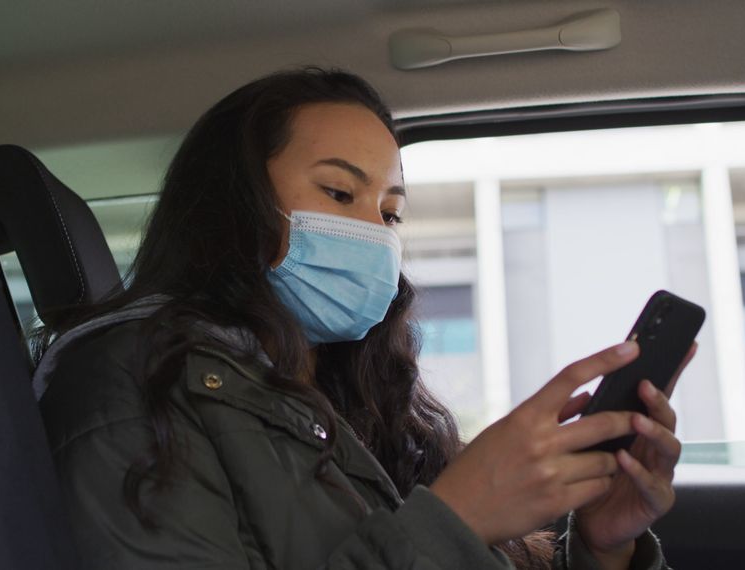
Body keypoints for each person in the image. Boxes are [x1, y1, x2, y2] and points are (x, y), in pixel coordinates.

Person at [36, 67, 694, 570]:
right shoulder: (131, 386)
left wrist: (603, 548)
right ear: (231, 205)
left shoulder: (356, 399)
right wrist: (457, 516)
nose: (374, 235)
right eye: (339, 193)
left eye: (390, 212)